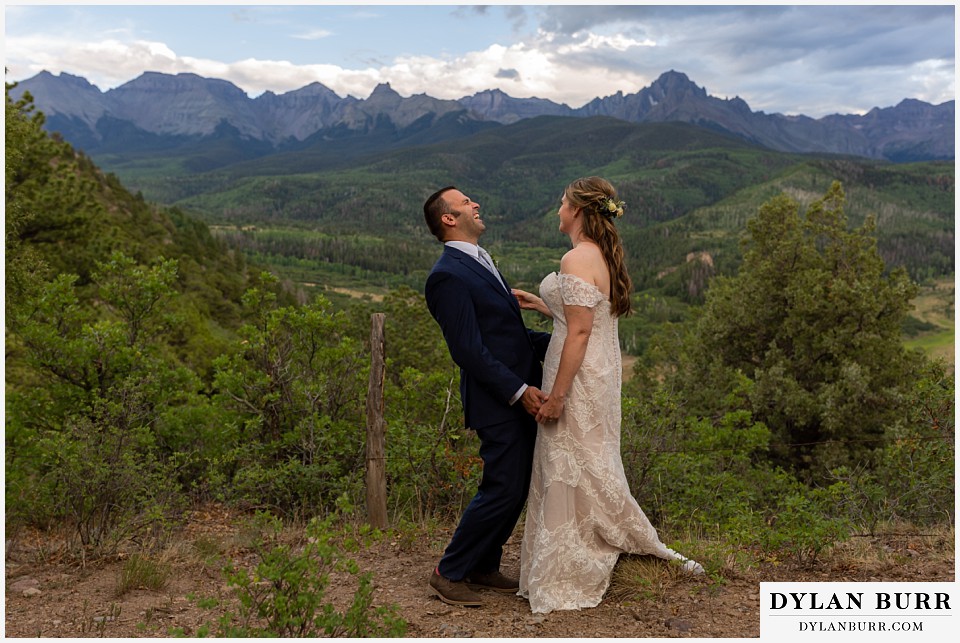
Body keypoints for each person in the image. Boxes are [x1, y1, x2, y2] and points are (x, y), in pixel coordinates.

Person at [514, 176, 703, 615]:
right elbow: (587, 315)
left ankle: (572, 559)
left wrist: (558, 395)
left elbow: (580, 331)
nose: (558, 209)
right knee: (587, 457)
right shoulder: (600, 255)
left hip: (577, 376)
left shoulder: (576, 257)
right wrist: (544, 306)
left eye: (562, 203)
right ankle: (591, 534)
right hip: (596, 370)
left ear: (577, 211)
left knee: (569, 459)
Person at [422, 186, 552, 607]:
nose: (476, 204)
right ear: (448, 218)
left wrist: (567, 342)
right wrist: (518, 392)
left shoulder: (480, 261)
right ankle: (450, 571)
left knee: (513, 487)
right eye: (465, 203)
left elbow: (507, 337)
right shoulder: (447, 276)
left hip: (515, 391)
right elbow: (468, 350)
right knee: (502, 486)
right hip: (498, 399)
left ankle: (483, 565)